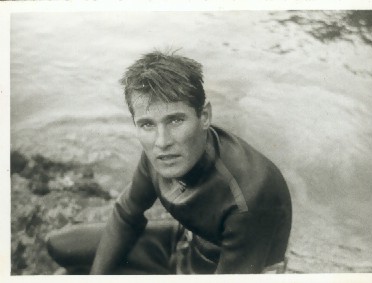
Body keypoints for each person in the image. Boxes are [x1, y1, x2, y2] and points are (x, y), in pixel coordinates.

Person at [46, 50, 292, 274]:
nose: (162, 142)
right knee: (60, 245)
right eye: (147, 124)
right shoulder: (160, 152)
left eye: (175, 120)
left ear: (204, 116)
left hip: (224, 266)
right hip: (183, 246)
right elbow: (126, 214)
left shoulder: (250, 194)